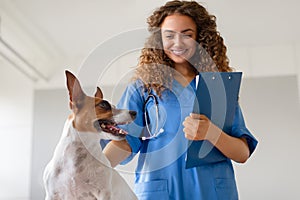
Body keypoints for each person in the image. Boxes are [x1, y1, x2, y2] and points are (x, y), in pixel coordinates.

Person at [103, 1, 258, 199]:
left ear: (199, 38)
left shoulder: (217, 87)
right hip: (160, 189)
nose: (177, 43)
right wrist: (92, 170)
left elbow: (242, 152)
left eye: (187, 34)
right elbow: (125, 141)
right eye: (169, 35)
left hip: (211, 190)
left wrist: (211, 133)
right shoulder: (143, 86)